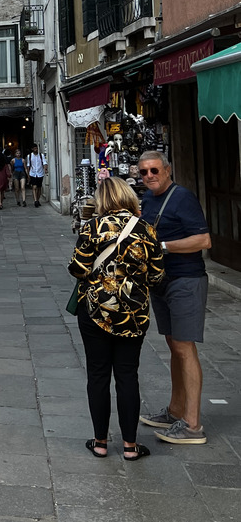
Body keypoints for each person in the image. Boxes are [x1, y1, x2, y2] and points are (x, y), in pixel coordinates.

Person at [68, 176, 164, 460]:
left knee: (97, 374)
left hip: (95, 312)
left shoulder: (93, 227)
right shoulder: (146, 229)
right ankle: (130, 447)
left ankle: (99, 442)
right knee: (127, 375)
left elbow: (77, 268)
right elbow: (157, 276)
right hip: (133, 314)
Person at [137, 150, 211, 446]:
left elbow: (203, 240)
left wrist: (162, 246)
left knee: (184, 346)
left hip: (186, 280)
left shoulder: (183, 197)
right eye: (144, 172)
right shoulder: (147, 200)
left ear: (167, 169)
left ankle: (193, 425)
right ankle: (175, 410)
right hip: (161, 281)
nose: (150, 176)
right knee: (173, 344)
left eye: (154, 170)